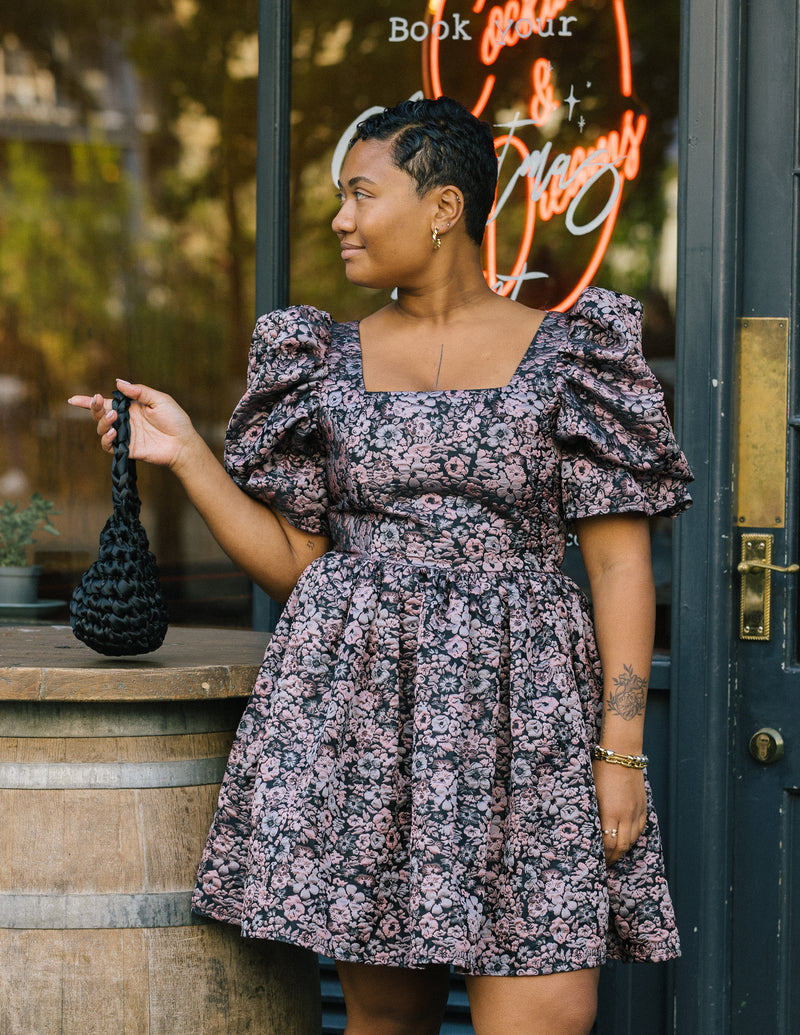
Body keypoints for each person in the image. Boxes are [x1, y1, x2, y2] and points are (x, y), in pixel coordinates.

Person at [69, 96, 692, 1035]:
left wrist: (621, 751)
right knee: (385, 1016)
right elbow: (300, 567)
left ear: (444, 207)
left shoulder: (574, 356)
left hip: (526, 727)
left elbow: (617, 570)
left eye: (362, 194)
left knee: (552, 1005)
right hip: (370, 726)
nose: (340, 219)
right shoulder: (322, 359)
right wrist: (188, 453)